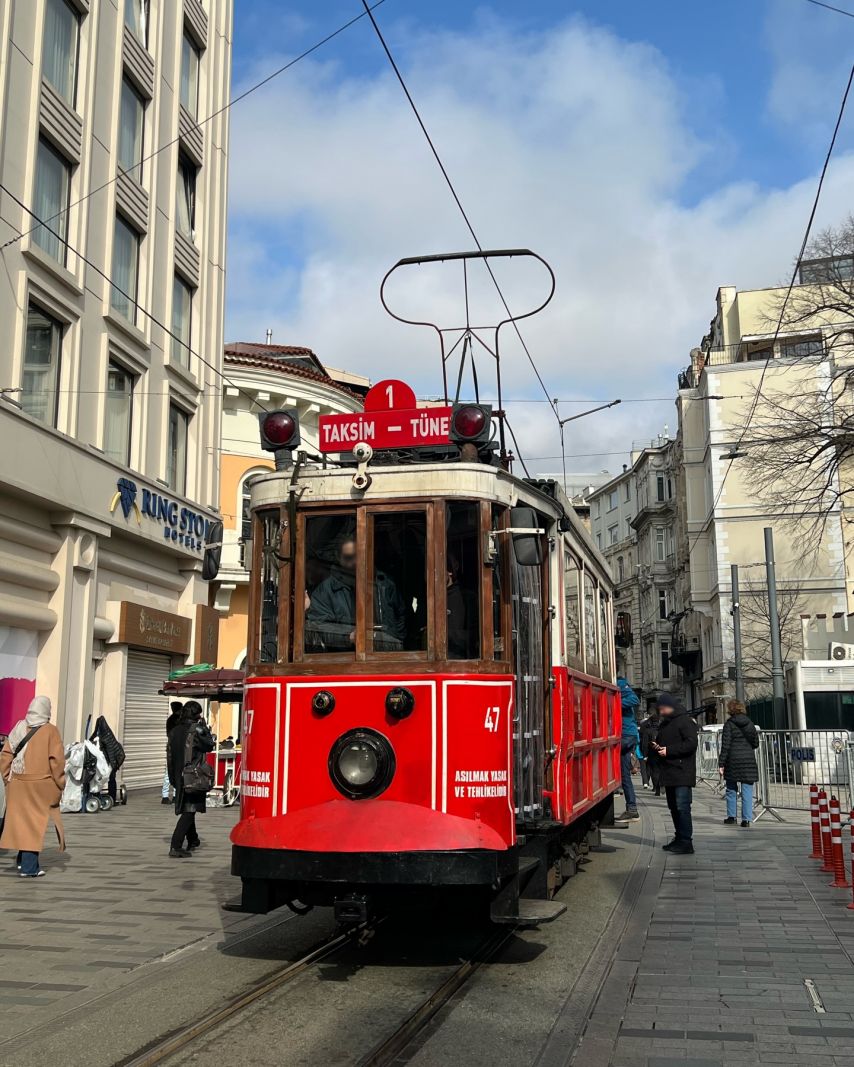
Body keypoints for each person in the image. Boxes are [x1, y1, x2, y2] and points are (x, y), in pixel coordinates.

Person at [0, 696, 66, 877]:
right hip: (40, 785)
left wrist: (8, 779)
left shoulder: (19, 727)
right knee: (34, 825)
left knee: (23, 823)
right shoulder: (51, 731)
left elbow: (6, 755)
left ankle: (22, 862)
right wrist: (60, 783)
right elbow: (57, 761)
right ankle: (29, 869)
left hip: (17, 783)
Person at [306, 537, 406, 651]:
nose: (354, 562)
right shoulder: (325, 591)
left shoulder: (385, 583)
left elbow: (401, 615)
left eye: (358, 556)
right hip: (346, 658)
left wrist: (394, 641)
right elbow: (320, 629)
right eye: (348, 557)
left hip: (386, 657)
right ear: (338, 558)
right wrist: (349, 637)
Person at [652, 692, 699, 855]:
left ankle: (686, 841)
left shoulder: (685, 721)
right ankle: (679, 838)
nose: (661, 712)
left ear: (670, 706)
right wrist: (656, 747)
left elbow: (691, 744)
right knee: (673, 807)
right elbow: (662, 743)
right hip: (669, 771)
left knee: (682, 807)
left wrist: (669, 751)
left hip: (682, 771)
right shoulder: (665, 723)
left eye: (662, 708)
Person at [166, 701, 214, 857]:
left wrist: (172, 776)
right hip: (193, 775)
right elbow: (209, 745)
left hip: (178, 774)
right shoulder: (197, 730)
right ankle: (175, 845)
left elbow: (169, 756)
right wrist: (205, 728)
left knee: (189, 808)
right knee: (189, 811)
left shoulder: (174, 731)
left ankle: (193, 839)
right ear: (196, 715)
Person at [718, 699, 760, 827]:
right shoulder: (750, 724)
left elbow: (725, 746)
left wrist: (721, 763)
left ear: (730, 710)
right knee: (747, 790)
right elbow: (756, 743)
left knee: (731, 789)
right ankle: (746, 820)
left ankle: (732, 817)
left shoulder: (729, 724)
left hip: (733, 760)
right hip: (748, 760)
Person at [617, 677, 640, 820]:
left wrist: (614, 703)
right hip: (624, 735)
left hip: (626, 735)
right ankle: (632, 809)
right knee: (625, 775)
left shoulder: (620, 683)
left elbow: (634, 700)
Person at [447, 553, 478, 659]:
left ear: (450, 571)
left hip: (460, 662)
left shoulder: (467, 598)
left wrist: (444, 634)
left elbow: (474, 636)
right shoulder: (429, 600)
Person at [162, 702, 183, 804]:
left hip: (171, 748)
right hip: (176, 749)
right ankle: (174, 795)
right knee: (176, 772)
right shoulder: (179, 720)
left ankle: (166, 796)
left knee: (169, 772)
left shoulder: (170, 720)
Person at [639, 709, 662, 796]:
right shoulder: (662, 730)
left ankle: (656, 788)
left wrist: (645, 754)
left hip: (652, 753)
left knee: (654, 770)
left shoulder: (647, 731)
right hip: (662, 751)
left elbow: (644, 744)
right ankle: (661, 785)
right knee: (660, 770)